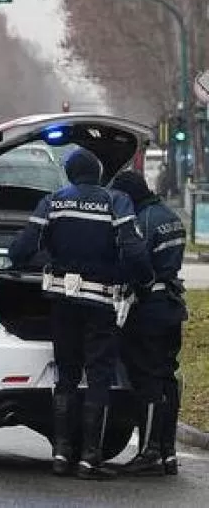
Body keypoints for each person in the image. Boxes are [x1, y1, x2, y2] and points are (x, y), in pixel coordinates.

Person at [8, 148, 151, 480]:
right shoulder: (116, 202)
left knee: (66, 376)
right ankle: (89, 459)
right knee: (99, 376)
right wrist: (141, 278)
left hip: (62, 302)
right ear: (98, 174)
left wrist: (19, 263)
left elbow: (22, 247)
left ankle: (60, 454)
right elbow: (133, 250)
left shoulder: (52, 202)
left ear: (69, 174)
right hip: (100, 303)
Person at [109, 170, 187, 477]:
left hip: (149, 308)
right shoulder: (170, 216)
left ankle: (149, 450)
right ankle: (167, 453)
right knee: (167, 378)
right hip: (171, 305)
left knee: (147, 380)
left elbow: (134, 261)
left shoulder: (140, 222)